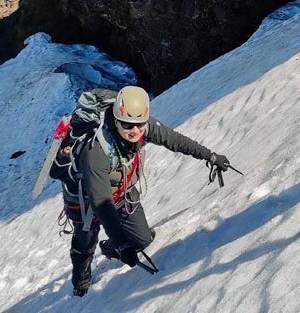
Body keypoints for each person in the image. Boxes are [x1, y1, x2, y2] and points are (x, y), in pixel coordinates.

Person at [61, 85, 233, 296]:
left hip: (122, 192)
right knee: (85, 243)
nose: (134, 131)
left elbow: (176, 141)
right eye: (127, 125)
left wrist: (210, 156)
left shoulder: (145, 128)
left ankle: (110, 248)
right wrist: (122, 243)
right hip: (87, 200)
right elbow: (101, 204)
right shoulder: (96, 150)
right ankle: (81, 284)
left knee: (142, 240)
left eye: (139, 124)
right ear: (116, 120)